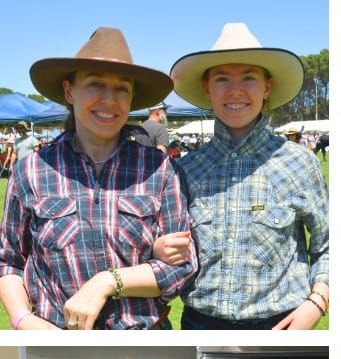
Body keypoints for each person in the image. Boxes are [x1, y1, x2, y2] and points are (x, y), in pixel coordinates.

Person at [0, 27, 196, 330]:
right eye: (95, 84)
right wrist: (22, 318)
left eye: (122, 89)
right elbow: (9, 260)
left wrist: (107, 282)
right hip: (55, 345)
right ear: (69, 91)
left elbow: (183, 267)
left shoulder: (158, 169)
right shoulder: (31, 171)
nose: (109, 100)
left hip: (142, 345)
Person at [168, 22, 329, 329]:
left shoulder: (300, 163)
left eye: (249, 78)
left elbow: (328, 245)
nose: (235, 90)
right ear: (207, 88)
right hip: (200, 325)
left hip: (281, 324)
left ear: (267, 86)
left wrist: (317, 301)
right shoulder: (185, 170)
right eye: (222, 78)